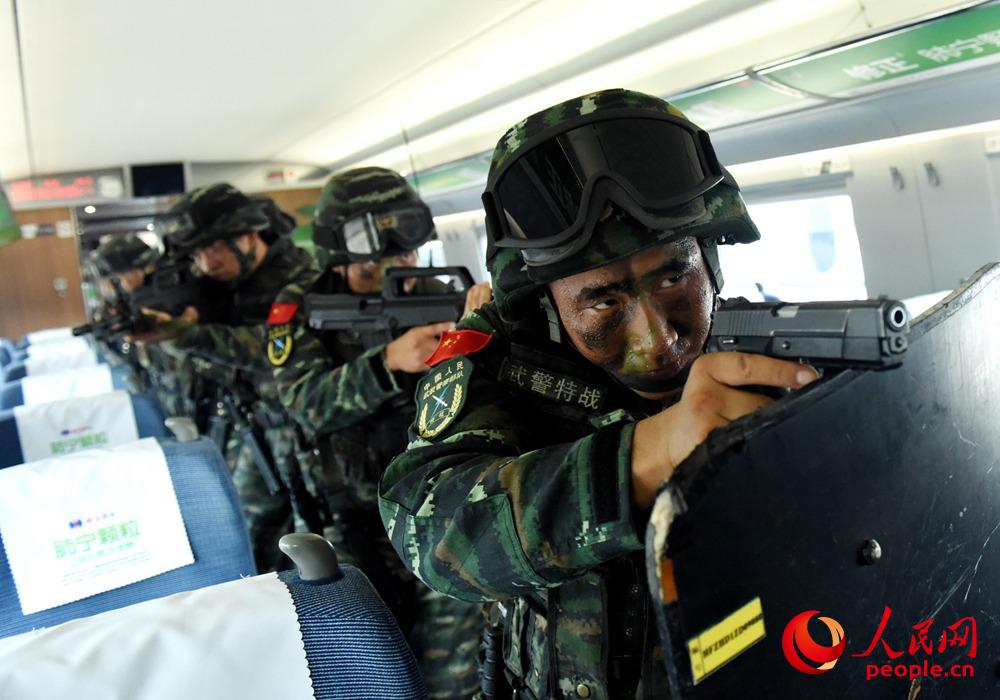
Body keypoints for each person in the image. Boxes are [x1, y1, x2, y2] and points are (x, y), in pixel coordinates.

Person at [378, 89, 820, 699]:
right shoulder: (497, 360)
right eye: (604, 300)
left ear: (711, 262)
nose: (658, 341)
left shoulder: (763, 353)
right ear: (547, 303)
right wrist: (649, 452)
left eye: (674, 276)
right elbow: (427, 529)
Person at [269, 166, 489, 699]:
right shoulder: (297, 311)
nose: (399, 273)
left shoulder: (442, 295)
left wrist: (482, 335)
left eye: (408, 259)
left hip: (433, 505)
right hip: (351, 513)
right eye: (373, 269)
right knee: (364, 659)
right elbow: (304, 405)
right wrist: (388, 363)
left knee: (454, 664)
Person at [144, 183, 320, 571]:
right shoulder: (225, 289)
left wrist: (187, 335)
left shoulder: (302, 278)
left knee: (317, 542)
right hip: (257, 426)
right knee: (249, 533)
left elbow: (273, 350)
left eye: (213, 248)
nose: (205, 263)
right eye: (196, 253)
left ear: (248, 235)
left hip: (304, 433)